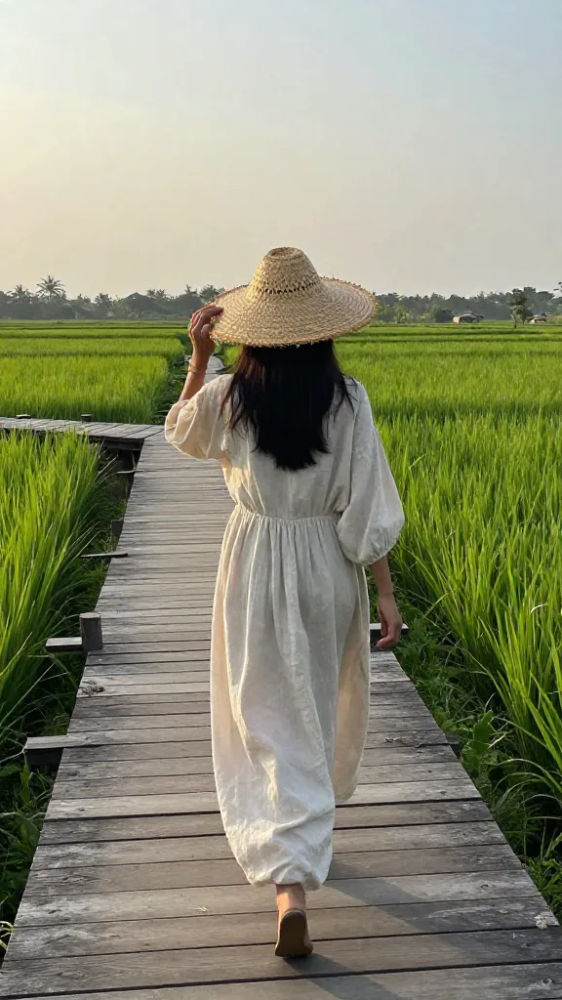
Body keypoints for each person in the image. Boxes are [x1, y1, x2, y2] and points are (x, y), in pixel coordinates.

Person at [164, 247, 404, 959]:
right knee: (313, 706)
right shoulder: (348, 401)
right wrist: (386, 594)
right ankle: (303, 848)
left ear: (255, 333)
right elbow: (368, 512)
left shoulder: (232, 399)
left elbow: (181, 432)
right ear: (323, 329)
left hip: (254, 559)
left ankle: (289, 883)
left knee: (261, 710)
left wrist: (201, 357)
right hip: (325, 567)